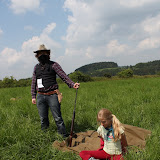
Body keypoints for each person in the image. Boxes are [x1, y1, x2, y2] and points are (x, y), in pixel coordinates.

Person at [31, 44, 80, 138]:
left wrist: (72, 84)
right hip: (40, 96)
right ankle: (45, 136)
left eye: (44, 53)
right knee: (43, 118)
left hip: (52, 95)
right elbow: (34, 82)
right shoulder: (36, 67)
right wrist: (33, 96)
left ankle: (63, 136)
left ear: (48, 54)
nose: (42, 55)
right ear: (37, 56)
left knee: (57, 118)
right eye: (40, 53)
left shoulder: (54, 65)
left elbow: (63, 75)